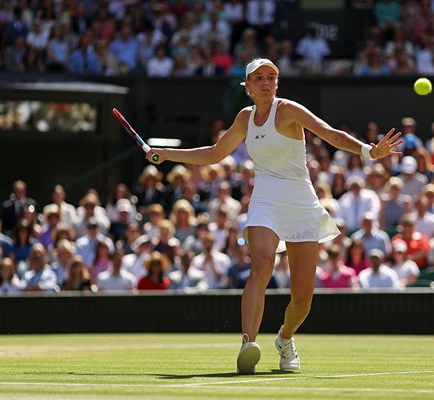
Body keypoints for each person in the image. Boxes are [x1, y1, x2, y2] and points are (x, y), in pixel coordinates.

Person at [146, 58, 402, 374]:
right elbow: (215, 153)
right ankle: (247, 344)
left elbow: (330, 134)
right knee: (262, 263)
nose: (266, 82)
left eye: (271, 77)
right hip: (265, 200)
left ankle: (285, 338)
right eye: (259, 77)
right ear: (248, 86)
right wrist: (167, 154)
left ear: (276, 84)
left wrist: (369, 151)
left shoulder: (289, 110)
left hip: (301, 203)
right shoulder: (244, 118)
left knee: (303, 300)